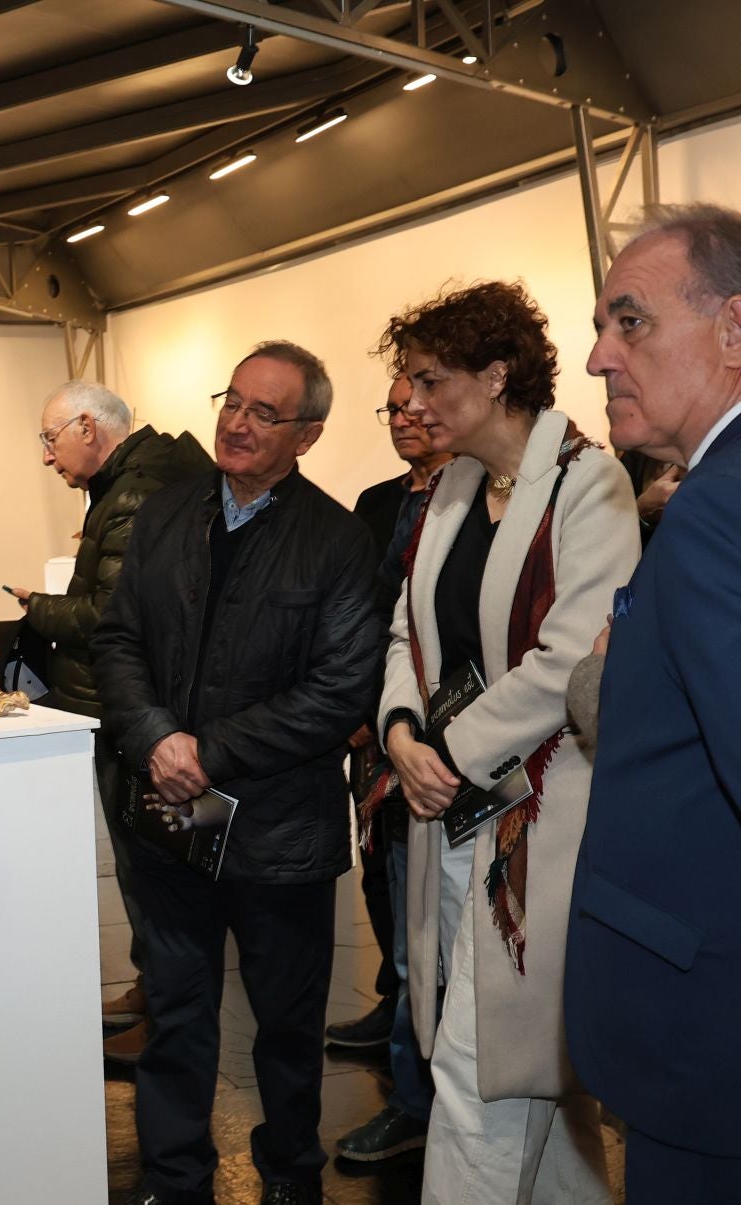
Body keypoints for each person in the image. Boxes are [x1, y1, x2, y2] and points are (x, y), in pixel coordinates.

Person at [93, 341, 380, 1205]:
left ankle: (291, 1175)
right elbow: (118, 639)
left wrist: (205, 752)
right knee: (176, 1011)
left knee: (285, 1029)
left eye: (266, 411)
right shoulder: (169, 512)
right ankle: (175, 1176)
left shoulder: (338, 542)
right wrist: (154, 738)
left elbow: (338, 692)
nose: (238, 422)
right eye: (233, 401)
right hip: (173, 822)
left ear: (310, 434)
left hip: (279, 828)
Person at [374, 281, 635, 1204]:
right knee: (528, 1075)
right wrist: (402, 731)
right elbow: (407, 628)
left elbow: (573, 653)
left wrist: (450, 750)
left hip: (535, 819)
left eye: (428, 380)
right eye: (404, 383)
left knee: (482, 1067)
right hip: (446, 810)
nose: (409, 401)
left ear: (496, 376)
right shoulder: (448, 484)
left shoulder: (587, 479)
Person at [567, 203, 741, 1202]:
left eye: (630, 321)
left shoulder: (716, 508)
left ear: (732, 328)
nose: (600, 356)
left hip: (707, 1039)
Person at [11, 379, 210, 1065]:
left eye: (49, 439)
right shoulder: (139, 481)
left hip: (132, 710)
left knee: (149, 865)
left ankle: (164, 1014)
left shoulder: (131, 495)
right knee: (143, 865)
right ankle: (151, 991)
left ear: (89, 428)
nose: (46, 457)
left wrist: (37, 606)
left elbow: (108, 618)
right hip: (134, 706)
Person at [333, 375, 454, 1164]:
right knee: (384, 888)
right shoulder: (378, 502)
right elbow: (357, 611)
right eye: (392, 408)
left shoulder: (480, 502)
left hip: (450, 740)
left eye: (418, 404)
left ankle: (424, 1102)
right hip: (376, 726)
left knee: (434, 940)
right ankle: (402, 1040)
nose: (404, 419)